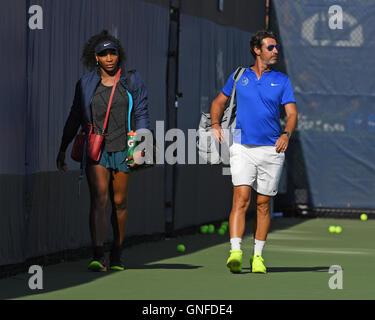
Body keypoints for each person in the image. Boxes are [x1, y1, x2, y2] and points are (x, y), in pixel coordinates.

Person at [56, 30, 150, 272]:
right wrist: (63, 148)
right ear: (95, 57)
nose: (109, 57)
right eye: (103, 54)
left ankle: (117, 254)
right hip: (96, 149)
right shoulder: (85, 83)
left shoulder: (132, 80)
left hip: (125, 147)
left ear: (119, 55)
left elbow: (141, 113)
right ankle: (98, 255)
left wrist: (141, 146)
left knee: (119, 201)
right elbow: (75, 116)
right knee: (99, 199)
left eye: (112, 53)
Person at [210, 30, 298, 274]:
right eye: (270, 47)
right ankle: (235, 252)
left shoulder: (282, 80)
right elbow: (219, 102)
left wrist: (286, 134)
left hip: (272, 149)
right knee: (241, 197)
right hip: (241, 147)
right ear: (257, 50)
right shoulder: (239, 76)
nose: (276, 51)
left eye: (276, 47)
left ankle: (257, 257)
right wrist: (215, 124)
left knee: (262, 204)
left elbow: (291, 114)